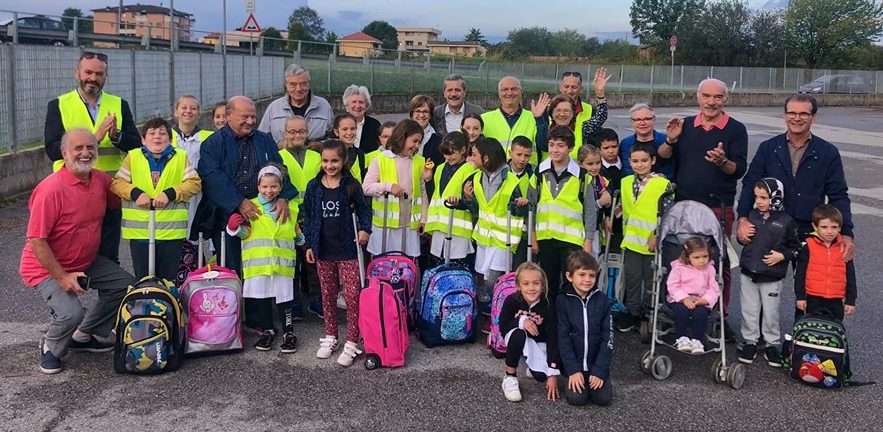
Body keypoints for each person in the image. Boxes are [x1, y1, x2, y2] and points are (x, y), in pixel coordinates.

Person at [21, 128, 134, 374]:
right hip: (47, 267)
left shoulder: (100, 179)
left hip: (85, 260)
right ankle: (51, 346)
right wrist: (62, 278)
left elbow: (122, 195)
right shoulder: (51, 190)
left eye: (90, 147)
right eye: (78, 148)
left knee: (125, 286)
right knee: (70, 314)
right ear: (64, 154)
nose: (85, 153)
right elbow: (37, 240)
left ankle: (82, 336)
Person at [197, 96, 298, 332]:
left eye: (253, 116)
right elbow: (212, 177)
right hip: (228, 214)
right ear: (229, 115)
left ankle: (260, 323)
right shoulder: (213, 144)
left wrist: (284, 195)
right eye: (245, 117)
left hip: (261, 216)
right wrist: (238, 202)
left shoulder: (264, 140)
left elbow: (279, 169)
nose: (251, 121)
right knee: (232, 267)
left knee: (257, 269)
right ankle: (228, 320)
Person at [658, 78, 748, 332]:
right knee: (680, 261)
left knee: (719, 263)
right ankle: (681, 308)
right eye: (706, 96)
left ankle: (720, 314)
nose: (711, 101)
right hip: (683, 207)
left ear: (725, 100)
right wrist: (671, 140)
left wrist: (722, 161)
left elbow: (738, 169)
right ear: (698, 98)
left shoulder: (736, 130)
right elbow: (662, 157)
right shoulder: (684, 125)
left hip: (719, 208)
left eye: (717, 97)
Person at [43, 51, 141, 264]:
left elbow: (136, 145)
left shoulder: (119, 104)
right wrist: (94, 139)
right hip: (71, 192)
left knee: (108, 255)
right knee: (72, 254)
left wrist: (117, 136)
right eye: (88, 72)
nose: (93, 78)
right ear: (77, 72)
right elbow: (52, 149)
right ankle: (68, 291)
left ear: (106, 76)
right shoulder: (59, 105)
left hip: (109, 190)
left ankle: (108, 296)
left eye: (99, 73)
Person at [736, 95, 854, 261]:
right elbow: (750, 185)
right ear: (784, 116)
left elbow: (838, 194)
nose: (797, 118)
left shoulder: (828, 152)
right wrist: (742, 219)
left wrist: (847, 233)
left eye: (804, 114)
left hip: (810, 228)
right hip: (771, 226)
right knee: (766, 282)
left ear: (813, 117)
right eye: (791, 113)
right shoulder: (768, 148)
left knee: (809, 283)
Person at [303, 140, 373, 366]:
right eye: (325, 161)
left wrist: (365, 230)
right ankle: (331, 335)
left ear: (343, 161)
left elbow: (364, 210)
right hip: (323, 249)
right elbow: (309, 216)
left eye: (334, 161)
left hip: (347, 248)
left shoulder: (351, 185)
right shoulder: (314, 186)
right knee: (328, 295)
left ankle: (352, 340)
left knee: (353, 297)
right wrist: (309, 245)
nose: (329, 165)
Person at [111, 118, 202, 282]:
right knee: (144, 281)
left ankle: (167, 306)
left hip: (170, 233)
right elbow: (118, 183)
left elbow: (194, 184)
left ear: (170, 139)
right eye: (151, 133)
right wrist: (136, 193)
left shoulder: (180, 157)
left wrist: (171, 193)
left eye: (162, 133)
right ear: (143, 140)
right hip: (140, 233)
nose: (157, 137)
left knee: (167, 281)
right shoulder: (133, 156)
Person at [226, 164, 300, 353]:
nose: (269, 191)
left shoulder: (290, 206)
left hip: (282, 263)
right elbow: (246, 233)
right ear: (258, 186)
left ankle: (289, 333)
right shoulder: (250, 207)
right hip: (258, 264)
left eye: (273, 187)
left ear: (281, 187)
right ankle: (268, 330)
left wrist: (304, 242)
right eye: (265, 187)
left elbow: (295, 231)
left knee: (284, 299)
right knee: (262, 298)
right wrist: (233, 228)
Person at [737, 178, 800, 366]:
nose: (758, 201)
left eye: (763, 197)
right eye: (757, 197)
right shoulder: (752, 216)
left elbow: (797, 247)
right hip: (749, 271)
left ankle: (772, 344)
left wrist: (782, 256)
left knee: (771, 311)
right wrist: (743, 239)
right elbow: (744, 240)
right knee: (749, 309)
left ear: (776, 198)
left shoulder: (787, 221)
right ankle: (750, 341)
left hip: (771, 275)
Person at [463, 138, 528, 315]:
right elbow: (478, 209)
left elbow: (520, 211)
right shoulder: (477, 177)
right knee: (482, 279)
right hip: (485, 238)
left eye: (474, 155)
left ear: (486, 158)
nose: (471, 158)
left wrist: (521, 206)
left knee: (494, 280)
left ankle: (500, 312)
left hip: (503, 240)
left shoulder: (511, 180)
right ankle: (492, 313)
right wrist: (468, 200)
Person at [534, 126, 597, 299]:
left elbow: (590, 211)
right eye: (552, 144)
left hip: (571, 240)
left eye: (560, 145)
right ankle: (551, 320)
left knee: (571, 284)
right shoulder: (539, 172)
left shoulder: (583, 176)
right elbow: (532, 205)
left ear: (570, 148)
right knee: (548, 283)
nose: (555, 149)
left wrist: (588, 241)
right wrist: (533, 237)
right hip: (545, 238)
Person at [617, 142, 673, 332]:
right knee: (632, 279)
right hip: (631, 241)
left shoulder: (662, 184)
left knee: (651, 280)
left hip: (651, 242)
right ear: (629, 162)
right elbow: (625, 207)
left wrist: (657, 235)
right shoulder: (626, 182)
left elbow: (668, 214)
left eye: (644, 161)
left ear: (653, 161)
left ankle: (650, 313)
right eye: (635, 161)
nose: (639, 164)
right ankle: (633, 313)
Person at [278, 115, 323, 319]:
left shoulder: (316, 157)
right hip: (289, 219)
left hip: (313, 217)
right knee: (291, 264)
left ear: (307, 132)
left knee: (314, 263)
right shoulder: (279, 158)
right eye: (292, 131)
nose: (297, 135)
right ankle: (293, 303)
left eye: (301, 131)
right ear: (285, 133)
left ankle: (316, 301)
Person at [362, 119, 429, 258]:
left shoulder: (419, 161)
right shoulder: (381, 160)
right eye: (414, 141)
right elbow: (366, 187)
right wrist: (388, 186)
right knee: (383, 266)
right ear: (402, 137)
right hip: (385, 227)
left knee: (406, 266)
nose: (416, 145)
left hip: (409, 226)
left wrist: (423, 218)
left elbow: (422, 192)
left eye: (419, 142)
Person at [557, 251, 613, 407]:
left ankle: (597, 376)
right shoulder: (563, 301)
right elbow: (563, 337)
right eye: (582, 275)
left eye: (591, 275)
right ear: (569, 276)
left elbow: (607, 337)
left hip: (596, 364)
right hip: (574, 366)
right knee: (577, 399)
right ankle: (569, 377)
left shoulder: (602, 300)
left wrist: (600, 370)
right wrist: (573, 370)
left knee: (603, 399)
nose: (587, 280)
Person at [499, 262, 561, 403]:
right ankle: (510, 376)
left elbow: (553, 336)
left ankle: (532, 364)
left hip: (538, 342)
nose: (531, 288)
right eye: (526, 284)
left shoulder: (549, 304)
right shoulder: (511, 301)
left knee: (541, 376)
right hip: (516, 337)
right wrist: (521, 322)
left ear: (543, 285)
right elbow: (502, 327)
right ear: (518, 286)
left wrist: (552, 372)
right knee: (519, 333)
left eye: (536, 283)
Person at [794, 205, 857, 322]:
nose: (829, 231)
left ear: (840, 228)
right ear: (815, 227)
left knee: (833, 328)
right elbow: (800, 273)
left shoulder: (844, 248)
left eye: (834, 227)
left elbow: (850, 275)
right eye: (824, 227)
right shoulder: (808, 246)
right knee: (812, 327)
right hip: (813, 297)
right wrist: (800, 296)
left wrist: (850, 300)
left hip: (836, 299)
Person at [425, 131, 476, 265]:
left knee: (457, 266)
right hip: (439, 226)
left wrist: (460, 201)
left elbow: (470, 200)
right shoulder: (440, 168)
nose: (448, 157)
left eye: (452, 153)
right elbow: (436, 194)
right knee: (438, 266)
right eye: (445, 154)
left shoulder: (470, 170)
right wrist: (428, 179)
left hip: (458, 229)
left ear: (463, 150)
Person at [666, 237, 720, 354]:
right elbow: (672, 285)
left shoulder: (710, 269)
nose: (702, 261)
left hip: (700, 299)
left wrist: (706, 299)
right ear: (687, 257)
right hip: (679, 299)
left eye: (705, 256)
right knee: (681, 312)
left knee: (701, 314)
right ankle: (682, 338)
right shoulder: (679, 267)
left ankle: (697, 340)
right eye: (696, 257)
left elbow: (713, 288)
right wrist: (684, 298)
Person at [170, 95, 214, 241]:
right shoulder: (166, 136)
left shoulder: (209, 137)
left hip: (198, 194)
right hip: (173, 193)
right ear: (176, 112)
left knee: (194, 236)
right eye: (184, 107)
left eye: (193, 108)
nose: (188, 111)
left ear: (199, 114)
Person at [259, 64, 333, 142]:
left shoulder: (324, 106)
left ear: (309, 84)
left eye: (303, 84)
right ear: (286, 85)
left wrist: (320, 145)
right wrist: (277, 145)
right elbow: (262, 137)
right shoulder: (274, 108)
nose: (298, 89)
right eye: (293, 85)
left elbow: (334, 136)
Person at [481, 77, 539, 165]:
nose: (509, 93)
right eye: (505, 89)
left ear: (521, 92)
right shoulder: (483, 119)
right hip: (495, 175)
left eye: (514, 89)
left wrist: (542, 118)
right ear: (499, 93)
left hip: (526, 176)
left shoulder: (535, 118)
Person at [619, 103, 675, 180]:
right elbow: (627, 172)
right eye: (638, 120)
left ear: (654, 120)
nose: (642, 123)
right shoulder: (625, 144)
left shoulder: (666, 140)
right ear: (632, 122)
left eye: (647, 119)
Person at [559, 68, 610, 146]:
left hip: (581, 157)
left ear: (581, 89)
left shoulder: (590, 111)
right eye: (566, 86)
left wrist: (599, 93)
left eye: (574, 87)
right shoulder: (548, 111)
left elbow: (601, 118)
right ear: (561, 88)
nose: (569, 91)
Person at [576, 145, 613, 255]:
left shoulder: (603, 180)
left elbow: (608, 203)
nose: (595, 167)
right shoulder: (578, 181)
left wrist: (607, 215)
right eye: (590, 164)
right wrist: (599, 203)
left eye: (598, 163)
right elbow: (581, 207)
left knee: (594, 260)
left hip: (596, 229)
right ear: (580, 163)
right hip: (579, 228)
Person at [509, 136, 537, 268]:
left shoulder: (534, 174)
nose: (522, 159)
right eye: (518, 154)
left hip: (525, 233)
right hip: (505, 232)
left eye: (527, 155)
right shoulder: (502, 173)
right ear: (510, 153)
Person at [597, 128, 625, 253]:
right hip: (607, 220)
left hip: (624, 219)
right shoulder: (598, 170)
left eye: (614, 146)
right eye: (606, 148)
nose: (611, 151)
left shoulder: (626, 165)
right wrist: (606, 215)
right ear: (599, 150)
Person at [328, 113, 368, 183]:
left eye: (352, 129)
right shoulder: (328, 152)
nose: (349, 132)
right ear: (336, 132)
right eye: (344, 129)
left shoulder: (361, 154)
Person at [343, 84, 382, 154]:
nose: (357, 106)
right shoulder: (340, 123)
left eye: (361, 102)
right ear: (347, 105)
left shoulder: (375, 125)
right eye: (354, 102)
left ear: (366, 106)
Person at [410, 95, 444, 166]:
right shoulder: (402, 134)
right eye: (418, 111)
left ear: (431, 115)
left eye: (425, 112)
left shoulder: (438, 141)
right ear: (412, 114)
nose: (422, 115)